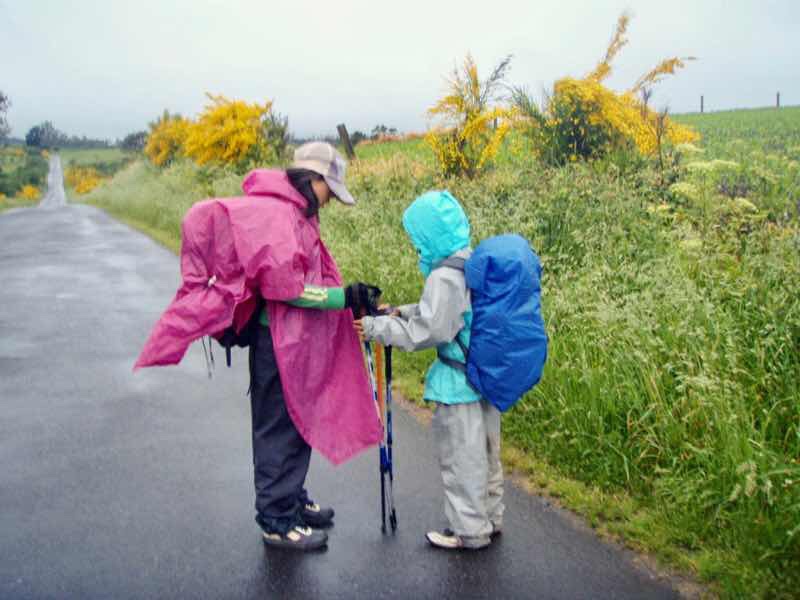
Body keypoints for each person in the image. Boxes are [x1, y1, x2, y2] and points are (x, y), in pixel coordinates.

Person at [246, 142, 383, 551]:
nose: (330, 200)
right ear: (313, 179)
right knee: (278, 429)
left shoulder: (299, 212)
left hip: (297, 340)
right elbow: (283, 288)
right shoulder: (282, 215)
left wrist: (350, 297)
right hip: (277, 342)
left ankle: (290, 499)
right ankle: (275, 520)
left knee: (299, 422)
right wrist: (344, 297)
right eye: (329, 189)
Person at [355, 190, 504, 550]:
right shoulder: (467, 260)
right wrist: (401, 312)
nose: (416, 244)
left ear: (430, 234)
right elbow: (446, 311)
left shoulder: (443, 276)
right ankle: (489, 518)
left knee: (461, 459)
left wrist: (378, 329)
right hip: (483, 377)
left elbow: (433, 329)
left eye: (417, 237)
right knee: (485, 454)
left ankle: (469, 532)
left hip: (457, 383)